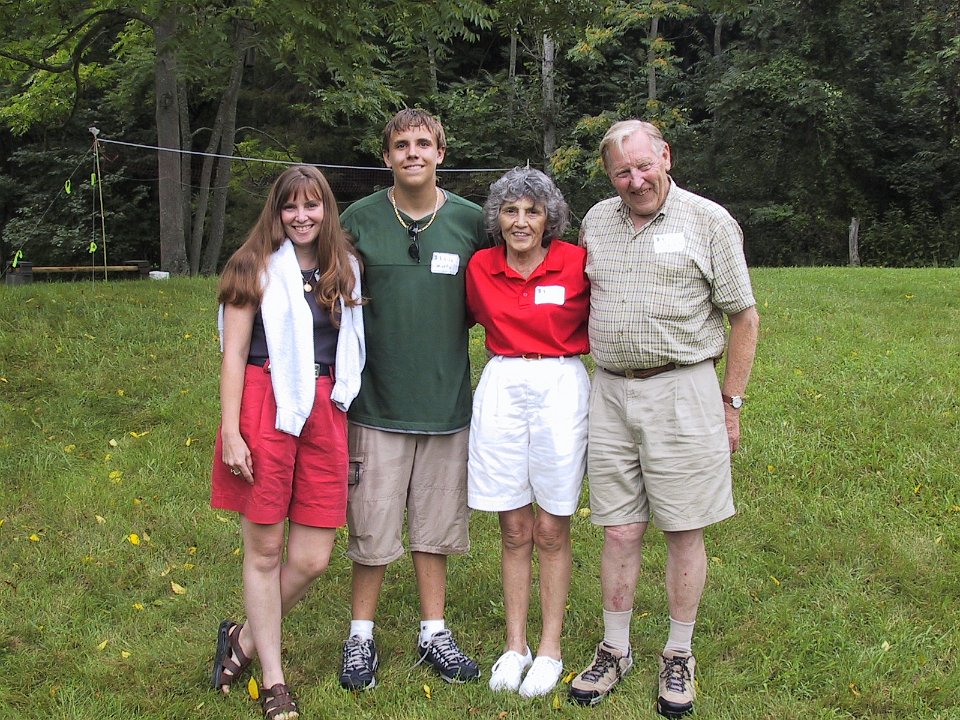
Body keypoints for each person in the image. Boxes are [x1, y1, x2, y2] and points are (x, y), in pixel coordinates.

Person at [568, 120, 759, 718]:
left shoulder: (709, 220)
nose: (636, 180)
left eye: (644, 166)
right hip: (611, 392)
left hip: (683, 389)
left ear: (666, 157)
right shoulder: (597, 221)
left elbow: (745, 318)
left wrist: (730, 403)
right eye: (622, 171)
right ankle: (615, 648)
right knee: (619, 529)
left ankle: (679, 653)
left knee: (683, 528)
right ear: (610, 176)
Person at [336, 108, 488, 691]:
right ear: (387, 156)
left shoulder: (472, 222)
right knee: (372, 526)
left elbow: (497, 290)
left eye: (423, 144)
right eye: (401, 145)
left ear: (441, 153)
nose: (413, 154)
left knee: (435, 526)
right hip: (376, 403)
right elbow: (328, 292)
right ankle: (360, 636)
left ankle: (433, 634)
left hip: (445, 402)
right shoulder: (359, 220)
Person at [209, 165, 365, 720]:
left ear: (326, 209)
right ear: (276, 211)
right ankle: (274, 681)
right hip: (265, 401)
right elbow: (233, 354)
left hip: (325, 405)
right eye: (290, 206)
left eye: (311, 205)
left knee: (312, 557)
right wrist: (232, 432)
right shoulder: (251, 266)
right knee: (266, 550)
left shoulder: (343, 267)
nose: (301, 217)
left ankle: (244, 639)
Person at [465, 167, 589, 698]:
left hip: (560, 384)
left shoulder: (576, 263)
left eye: (532, 212)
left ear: (549, 219)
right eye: (510, 211)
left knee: (551, 527)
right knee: (514, 527)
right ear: (497, 218)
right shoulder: (480, 267)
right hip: (503, 384)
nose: (520, 221)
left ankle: (550, 648)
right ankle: (515, 645)